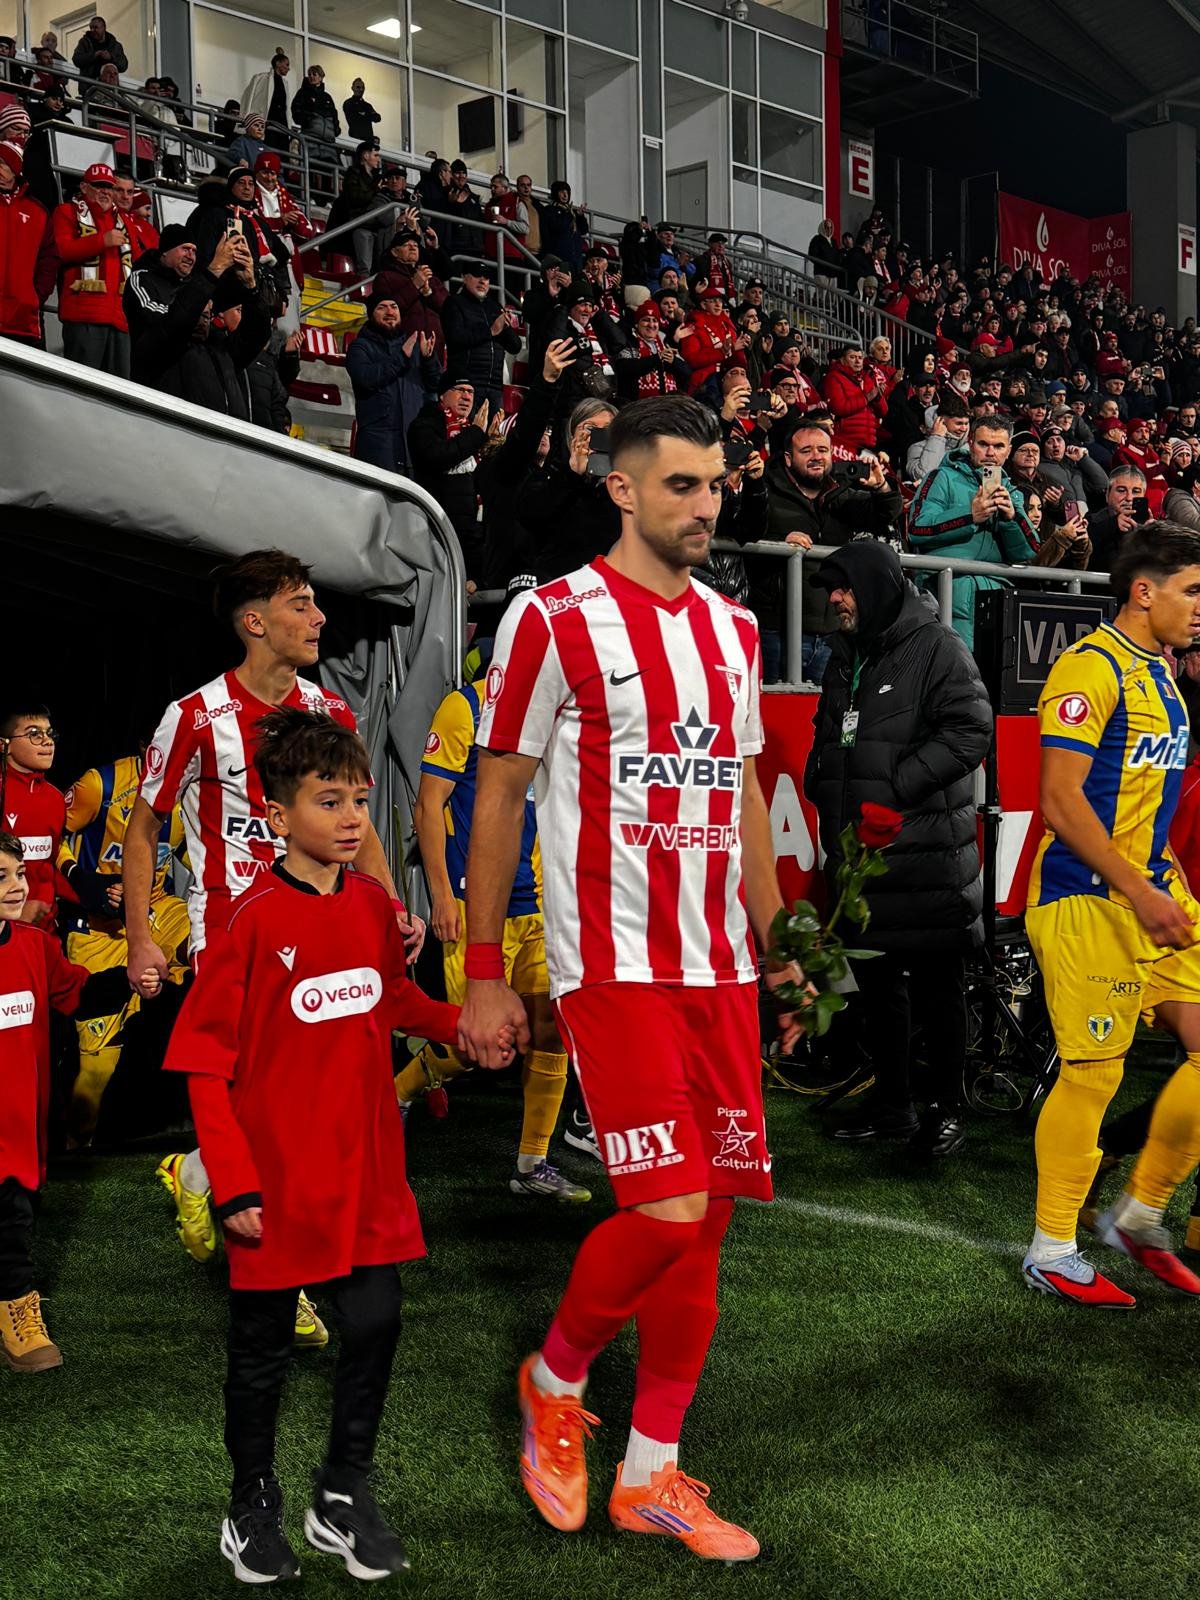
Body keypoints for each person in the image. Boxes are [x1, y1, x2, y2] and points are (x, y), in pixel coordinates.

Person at [458, 394, 805, 1562]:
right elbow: (498, 794)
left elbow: (742, 794)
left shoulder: (734, 630)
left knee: (705, 1227)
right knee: (665, 1211)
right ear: (621, 488)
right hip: (611, 962)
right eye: (681, 485)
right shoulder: (551, 618)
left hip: (720, 968)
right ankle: (555, 1378)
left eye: (716, 485)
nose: (706, 506)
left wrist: (780, 940)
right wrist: (483, 972)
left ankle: (650, 1471)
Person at [162, 709, 512, 1584]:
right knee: (263, 1355)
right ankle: (250, 1506)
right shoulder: (248, 922)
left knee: (376, 1324)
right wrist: (233, 1183)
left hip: (366, 1174)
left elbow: (389, 999)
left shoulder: (372, 908)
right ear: (278, 816)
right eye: (330, 802)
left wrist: (463, 1025)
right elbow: (203, 1067)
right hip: (274, 1184)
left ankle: (342, 1492)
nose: (353, 818)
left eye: (359, 799)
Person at [124, 552, 424, 1293]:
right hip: (230, 928)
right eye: (301, 605)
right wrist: (140, 938)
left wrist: (388, 908)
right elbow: (144, 828)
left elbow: (360, 824)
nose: (319, 618)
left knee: (302, 1094)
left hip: (323, 924)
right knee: (259, 1091)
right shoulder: (194, 716)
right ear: (254, 623)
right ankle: (278, 1273)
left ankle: (200, 1172)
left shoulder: (333, 713)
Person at [1021, 524, 1200, 1309]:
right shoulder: (1089, 668)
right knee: (1094, 1075)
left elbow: (1145, 808)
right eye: (1192, 590)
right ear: (1144, 590)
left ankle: (1138, 1212)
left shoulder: (1161, 673)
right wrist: (1139, 889)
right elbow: (1060, 801)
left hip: (1153, 895)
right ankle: (1051, 1250)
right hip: (1087, 898)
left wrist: (1165, 886)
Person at [805, 541, 992, 1154]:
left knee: (938, 987)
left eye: (844, 588)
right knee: (879, 986)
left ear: (876, 587)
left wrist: (896, 788)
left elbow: (971, 730)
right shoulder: (844, 654)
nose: (836, 599)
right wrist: (818, 779)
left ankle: (945, 1109)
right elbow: (829, 733)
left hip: (929, 856)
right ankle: (893, 1105)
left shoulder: (938, 647)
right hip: (862, 860)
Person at [403, 675, 590, 1202]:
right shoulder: (465, 707)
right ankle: (400, 1090)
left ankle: (533, 1164)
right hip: (477, 907)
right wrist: (441, 895)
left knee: (551, 1030)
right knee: (473, 1043)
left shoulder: (559, 710)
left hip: (541, 906)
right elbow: (429, 805)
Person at [0, 832, 159, 1372]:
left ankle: (13, 1307)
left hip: (22, 1129)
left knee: (15, 1217)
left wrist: (134, 977)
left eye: (20, 874)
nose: (17, 886)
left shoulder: (34, 946)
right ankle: (18, 1312)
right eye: (2, 877)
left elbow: (78, 994)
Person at [57, 752, 189, 1148]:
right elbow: (51, 837)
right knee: (96, 1070)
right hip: (99, 931)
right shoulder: (101, 784)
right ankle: (74, 1151)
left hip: (158, 910)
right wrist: (83, 881)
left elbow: (199, 851)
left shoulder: (194, 788)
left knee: (214, 947)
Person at [759, 421, 902, 684]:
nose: (816, 456)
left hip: (830, 633)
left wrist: (881, 487)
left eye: (823, 450)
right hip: (776, 632)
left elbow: (885, 514)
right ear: (788, 458)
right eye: (807, 451)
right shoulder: (765, 491)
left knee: (827, 707)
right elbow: (744, 531)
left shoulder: (839, 494)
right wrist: (779, 543)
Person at [908, 415, 1039, 650]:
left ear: (1008, 451)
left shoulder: (1011, 492)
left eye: (998, 446)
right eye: (983, 444)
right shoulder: (941, 477)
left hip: (997, 601)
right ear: (970, 443)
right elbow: (917, 527)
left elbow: (1029, 550)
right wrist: (970, 515)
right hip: (945, 596)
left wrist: (1011, 518)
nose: (990, 453)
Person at [124, 224, 272, 418]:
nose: (190, 256)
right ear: (165, 251)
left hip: (225, 432)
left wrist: (251, 288)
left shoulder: (217, 346)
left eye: (194, 251)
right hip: (171, 424)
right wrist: (214, 270)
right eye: (185, 249)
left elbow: (257, 337)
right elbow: (167, 326)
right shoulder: (143, 280)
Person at [515, 396, 619, 582]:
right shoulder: (549, 475)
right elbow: (530, 516)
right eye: (590, 429)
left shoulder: (625, 487)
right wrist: (572, 474)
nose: (598, 437)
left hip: (608, 587)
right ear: (572, 434)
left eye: (608, 430)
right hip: (558, 585)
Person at [52, 162, 132, 376]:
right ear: (84, 187)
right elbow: (60, 251)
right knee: (82, 385)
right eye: (98, 186)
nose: (105, 191)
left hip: (120, 319)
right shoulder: (66, 212)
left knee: (118, 389)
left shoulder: (124, 221)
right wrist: (101, 241)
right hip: (84, 315)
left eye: (109, 187)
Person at [407, 374, 492, 577]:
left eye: (470, 392)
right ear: (442, 396)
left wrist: (489, 443)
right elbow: (438, 456)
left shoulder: (471, 430)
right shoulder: (424, 425)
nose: (467, 397)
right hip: (436, 530)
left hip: (471, 532)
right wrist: (476, 434)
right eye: (460, 390)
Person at [347, 293, 440, 476]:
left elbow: (436, 384)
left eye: (394, 307)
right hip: (378, 447)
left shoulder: (414, 348)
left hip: (413, 447)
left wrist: (428, 359)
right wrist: (401, 358)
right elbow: (366, 379)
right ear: (371, 314)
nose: (390, 312)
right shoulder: (360, 347)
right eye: (382, 307)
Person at [0, 704, 69, 931]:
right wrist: (16, 910)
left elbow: (50, 865)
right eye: (34, 734)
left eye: (49, 733)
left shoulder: (56, 799)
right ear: (4, 745)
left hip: (46, 932)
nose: (47, 742)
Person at [441, 260, 521, 415]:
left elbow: (515, 346)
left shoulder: (495, 307)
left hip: (494, 388)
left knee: (493, 431)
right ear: (464, 277)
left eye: (486, 277)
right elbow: (455, 339)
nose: (482, 281)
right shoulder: (454, 303)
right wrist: (490, 331)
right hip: (466, 386)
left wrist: (506, 328)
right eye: (477, 275)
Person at [0, 141, 56, 348]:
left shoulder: (38, 212)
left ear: (15, 170)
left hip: (21, 320)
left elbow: (49, 259)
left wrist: (35, 297)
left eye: (3, 164)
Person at [820, 343, 888, 453]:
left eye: (860, 358)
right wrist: (867, 398)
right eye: (852, 357)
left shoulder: (868, 378)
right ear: (842, 360)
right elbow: (838, 408)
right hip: (846, 441)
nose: (857, 361)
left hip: (869, 442)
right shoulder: (833, 377)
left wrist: (878, 398)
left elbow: (883, 412)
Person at [1086, 465, 1146, 572]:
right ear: (1107, 495)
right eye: (1121, 490)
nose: (1129, 498)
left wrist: (1152, 535)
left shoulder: (1149, 525)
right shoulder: (1092, 521)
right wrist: (1112, 525)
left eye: (1136, 491)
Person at [240, 51, 291, 152]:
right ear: (278, 63)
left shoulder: (285, 84)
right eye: (286, 64)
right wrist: (244, 120)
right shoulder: (260, 79)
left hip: (282, 125)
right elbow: (247, 99)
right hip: (267, 122)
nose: (288, 68)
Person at [72, 15, 128, 79]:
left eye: (95, 27)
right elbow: (76, 59)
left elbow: (124, 66)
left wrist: (111, 57)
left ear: (104, 28)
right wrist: (94, 55)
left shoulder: (115, 46)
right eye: (91, 28)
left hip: (108, 83)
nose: (92, 30)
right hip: (89, 83)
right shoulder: (84, 42)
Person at [343, 77, 381, 143]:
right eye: (358, 87)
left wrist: (364, 114)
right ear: (352, 88)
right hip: (355, 139)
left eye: (362, 88)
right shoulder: (348, 103)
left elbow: (377, 118)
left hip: (368, 140)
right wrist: (369, 115)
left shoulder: (367, 105)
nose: (361, 90)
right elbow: (354, 118)